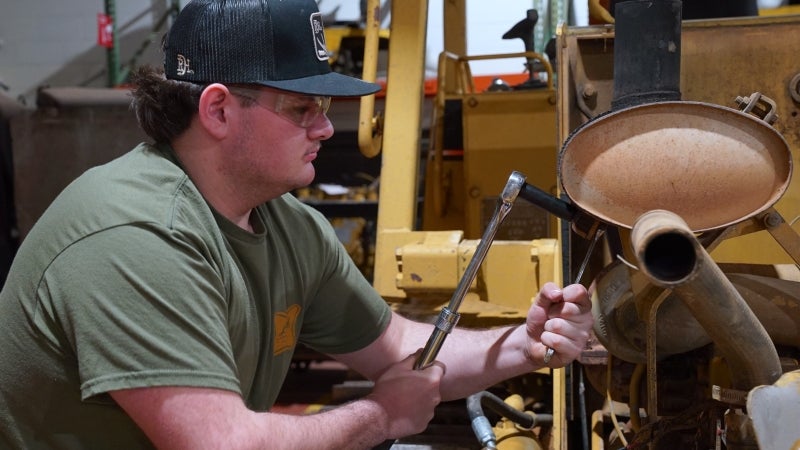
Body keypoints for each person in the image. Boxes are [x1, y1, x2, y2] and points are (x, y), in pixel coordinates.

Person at [0, 0, 593, 448]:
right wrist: (382, 414)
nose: (326, 129)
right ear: (218, 110)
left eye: (326, 110)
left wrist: (523, 343)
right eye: (301, 109)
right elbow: (222, 444)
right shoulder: (135, 236)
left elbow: (399, 347)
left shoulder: (286, 226)